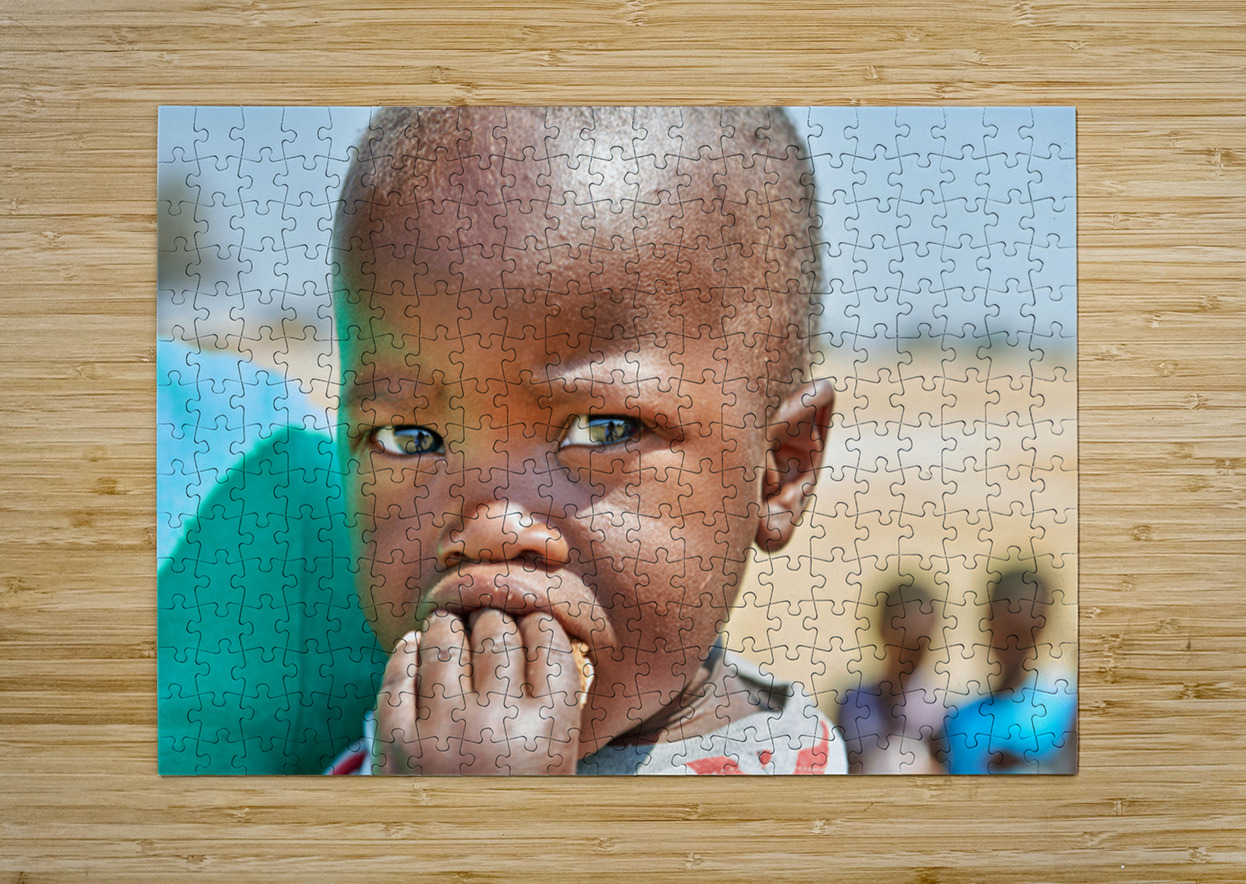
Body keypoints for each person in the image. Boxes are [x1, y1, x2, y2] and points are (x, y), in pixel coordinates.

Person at [160, 106, 847, 775]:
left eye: (603, 430)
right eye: (410, 437)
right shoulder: (393, 733)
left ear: (780, 469)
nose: (489, 528)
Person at [940, 568, 1077, 774]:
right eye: (1009, 630)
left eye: (1024, 633)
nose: (1014, 645)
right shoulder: (959, 718)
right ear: (988, 621)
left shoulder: (1065, 705)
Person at [836, 578, 949, 773]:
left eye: (920, 645)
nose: (911, 654)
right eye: (906, 643)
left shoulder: (936, 707)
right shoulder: (853, 704)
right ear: (882, 630)